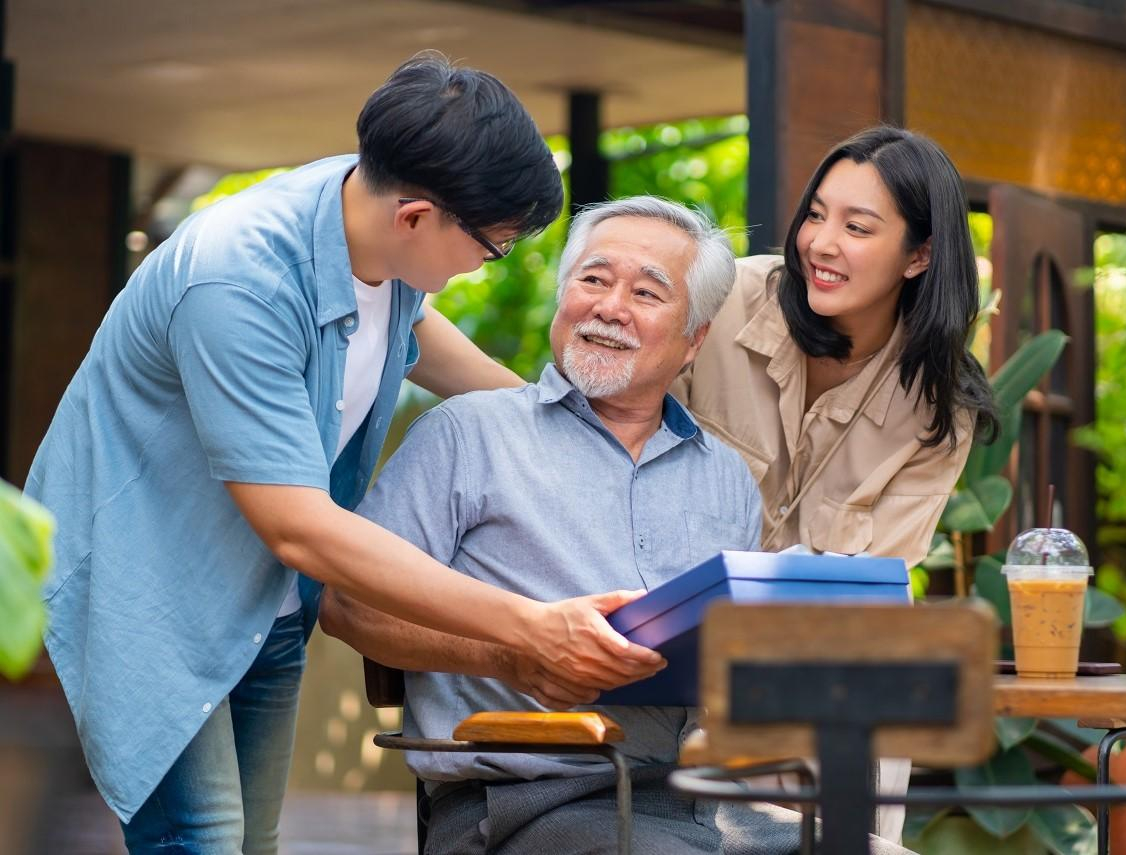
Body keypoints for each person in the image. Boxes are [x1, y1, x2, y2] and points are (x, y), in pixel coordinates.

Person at [26, 54, 662, 854]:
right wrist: (530, 627)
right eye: (492, 247)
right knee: (204, 839)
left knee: (251, 841)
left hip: (263, 594)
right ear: (417, 217)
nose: (482, 265)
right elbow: (302, 529)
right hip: (152, 581)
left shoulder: (365, 203)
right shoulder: (240, 281)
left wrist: (553, 421)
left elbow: (412, 328)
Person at [320, 197, 913, 855]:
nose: (608, 306)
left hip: (697, 803)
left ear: (694, 339)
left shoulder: (724, 478)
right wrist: (509, 655)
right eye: (593, 279)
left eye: (646, 292)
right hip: (520, 805)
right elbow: (347, 605)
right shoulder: (469, 433)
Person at [671, 125, 999, 842]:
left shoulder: (941, 411)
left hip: (812, 662)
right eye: (816, 214)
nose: (820, 241)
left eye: (856, 226)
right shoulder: (726, 300)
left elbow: (872, 583)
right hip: (671, 635)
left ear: (920, 255)